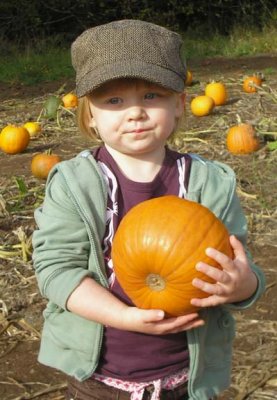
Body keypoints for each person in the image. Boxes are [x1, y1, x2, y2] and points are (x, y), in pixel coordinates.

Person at [32, 19, 265, 400]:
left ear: (179, 104)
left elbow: (239, 261)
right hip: (100, 378)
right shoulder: (75, 185)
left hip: (186, 376)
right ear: (89, 114)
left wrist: (244, 286)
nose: (135, 112)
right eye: (114, 100)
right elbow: (56, 270)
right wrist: (122, 317)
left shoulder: (210, 184)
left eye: (152, 96)